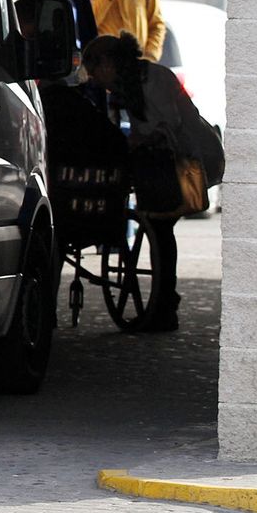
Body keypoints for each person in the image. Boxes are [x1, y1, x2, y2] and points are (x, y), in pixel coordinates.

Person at [81, 32, 224, 332]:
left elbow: (168, 125)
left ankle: (165, 305)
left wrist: (137, 141)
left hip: (182, 158)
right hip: (165, 158)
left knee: (161, 229)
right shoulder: (132, 83)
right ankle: (164, 303)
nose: (95, 80)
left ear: (108, 64)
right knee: (161, 231)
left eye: (95, 72)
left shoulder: (153, 79)